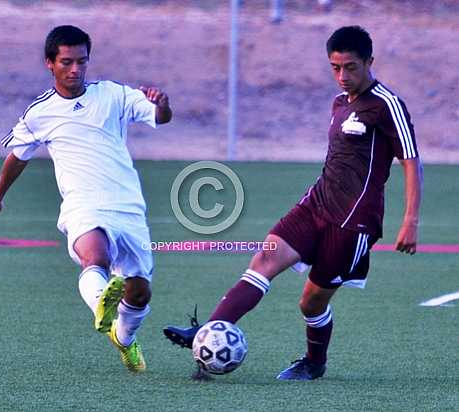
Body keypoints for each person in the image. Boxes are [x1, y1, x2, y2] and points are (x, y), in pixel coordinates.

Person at [164, 25, 422, 380]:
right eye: (335, 67)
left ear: (369, 62)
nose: (342, 76)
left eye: (350, 67)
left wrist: (410, 219)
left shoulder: (386, 105)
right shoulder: (339, 103)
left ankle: (314, 363)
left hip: (352, 221)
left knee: (311, 301)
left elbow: (410, 160)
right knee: (265, 258)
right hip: (315, 204)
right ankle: (208, 329)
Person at [0, 25, 172, 373]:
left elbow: (159, 118)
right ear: (49, 64)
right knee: (94, 257)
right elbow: (17, 157)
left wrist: (163, 105)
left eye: (81, 62)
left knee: (140, 291)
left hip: (128, 206)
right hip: (83, 205)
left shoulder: (112, 95)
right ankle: (102, 301)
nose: (75, 70)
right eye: (66, 62)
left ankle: (124, 339)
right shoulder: (40, 112)